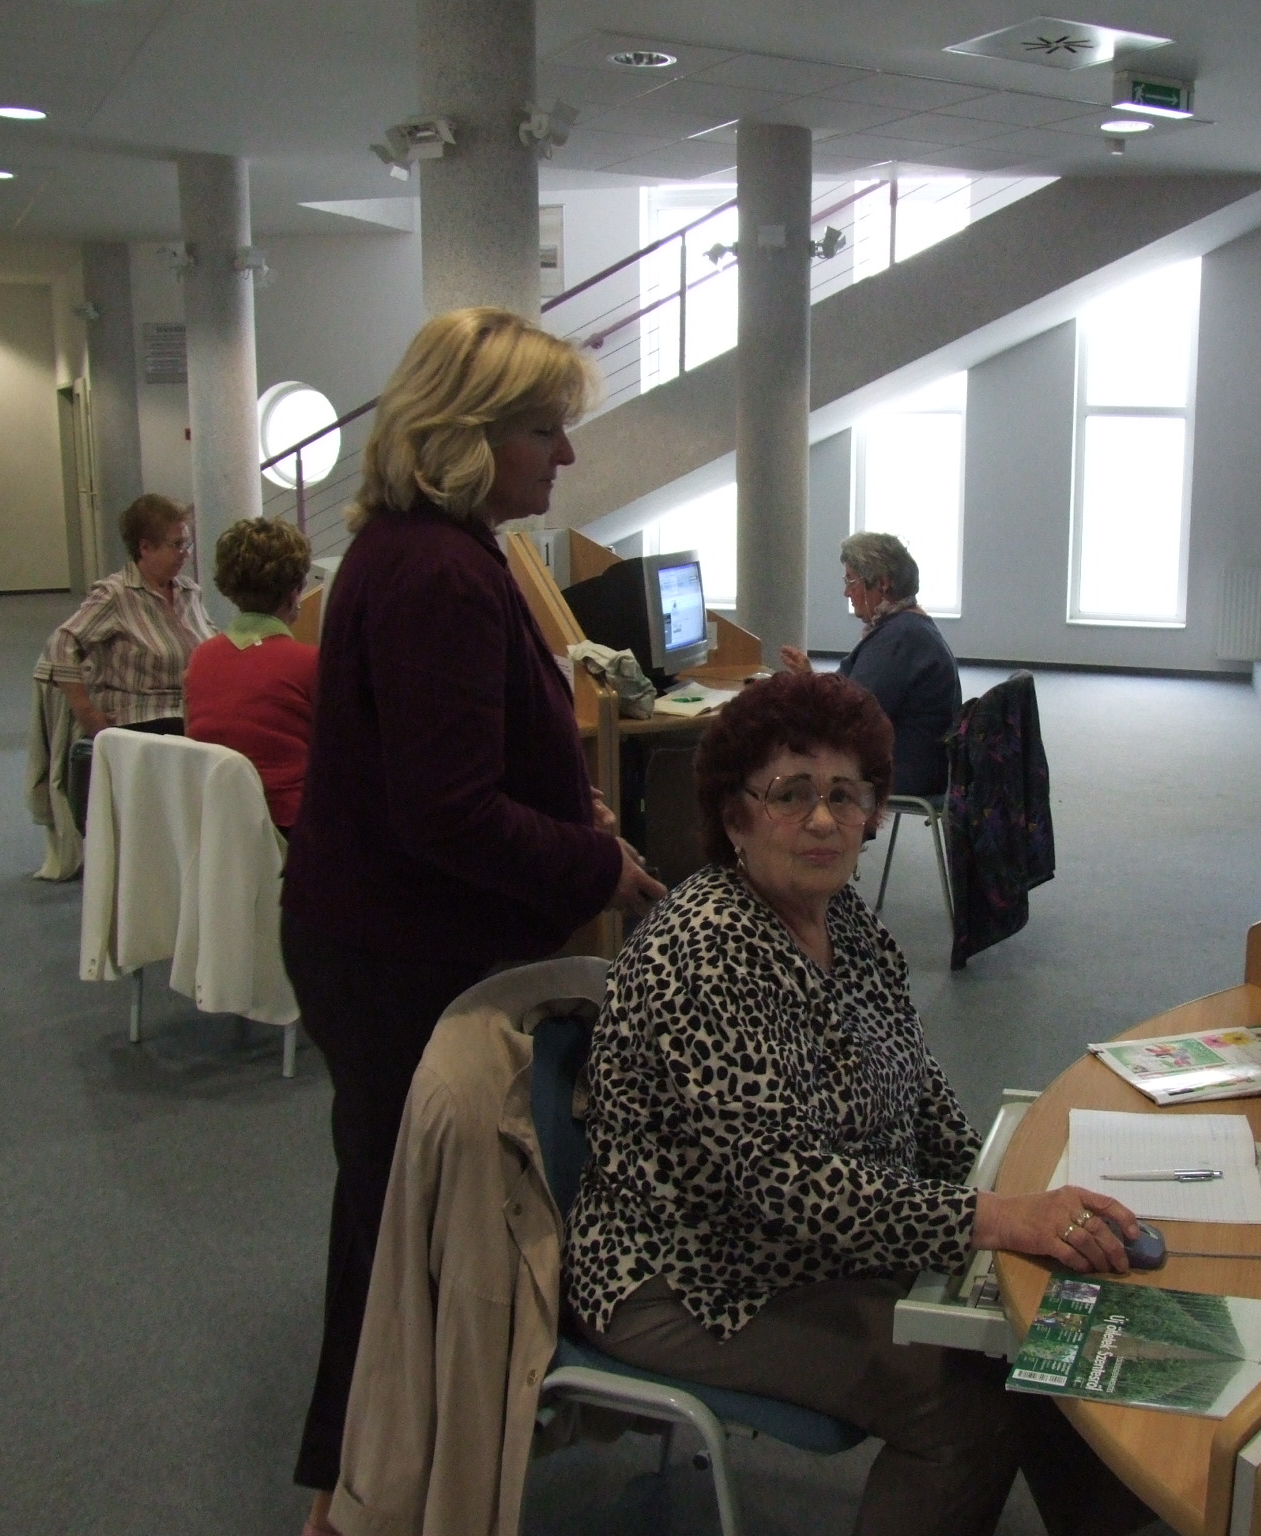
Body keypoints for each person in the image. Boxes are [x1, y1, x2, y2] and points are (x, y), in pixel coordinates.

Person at [566, 669, 1152, 1536]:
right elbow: (786, 1182)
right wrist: (993, 1220)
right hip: (692, 1276)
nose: (823, 820)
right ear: (734, 815)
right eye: (790, 794)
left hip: (806, 1245)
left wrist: (1002, 1198)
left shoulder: (842, 917)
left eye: (846, 795)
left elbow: (917, 1090)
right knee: (967, 1401)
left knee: (1039, 1318)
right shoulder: (705, 951)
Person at [280, 307, 666, 1536]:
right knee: (394, 1222)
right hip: (396, 952)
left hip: (380, 931)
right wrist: (592, 861)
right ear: (467, 433)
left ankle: (386, 1455)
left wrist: (559, 806)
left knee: (398, 1206)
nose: (567, 456)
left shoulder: (425, 550)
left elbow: (454, 761)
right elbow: (444, 812)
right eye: (546, 431)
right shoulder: (439, 571)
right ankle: (352, 1484)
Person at [778, 531, 961, 798]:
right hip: (917, 764)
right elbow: (852, 694)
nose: (847, 592)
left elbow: (852, 714)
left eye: (851, 581)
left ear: (883, 583)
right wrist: (810, 678)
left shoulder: (901, 636)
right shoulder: (906, 627)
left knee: (778, 760)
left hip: (905, 771)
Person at [34, 492, 213, 738]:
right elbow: (60, 645)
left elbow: (210, 647)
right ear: (145, 548)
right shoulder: (114, 594)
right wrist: (87, 713)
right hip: (143, 717)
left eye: (187, 544)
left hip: (190, 711)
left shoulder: (189, 592)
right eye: (177, 545)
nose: (186, 553)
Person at [183, 517, 320, 831]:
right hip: (290, 829)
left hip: (217, 827)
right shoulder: (309, 664)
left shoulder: (201, 658)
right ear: (295, 591)